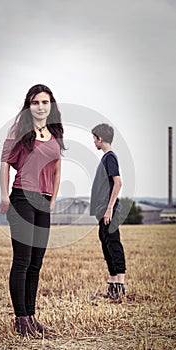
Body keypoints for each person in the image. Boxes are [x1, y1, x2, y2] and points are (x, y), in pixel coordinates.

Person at [0, 84, 65, 337]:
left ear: (51, 105)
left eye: (45, 102)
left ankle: (32, 317)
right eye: (35, 102)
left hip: (43, 202)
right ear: (29, 105)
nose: (40, 107)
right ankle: (21, 320)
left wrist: (53, 199)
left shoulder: (55, 132)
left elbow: (58, 169)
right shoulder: (19, 129)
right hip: (23, 198)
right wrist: (4, 195)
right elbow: (5, 163)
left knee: (36, 263)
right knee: (23, 261)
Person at [90, 123, 126, 299]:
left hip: (108, 210)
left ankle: (120, 286)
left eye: (94, 138)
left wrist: (109, 208)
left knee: (114, 244)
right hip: (103, 210)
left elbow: (118, 182)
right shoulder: (105, 158)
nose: (93, 142)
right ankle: (113, 286)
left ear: (100, 138)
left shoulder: (110, 157)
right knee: (106, 246)